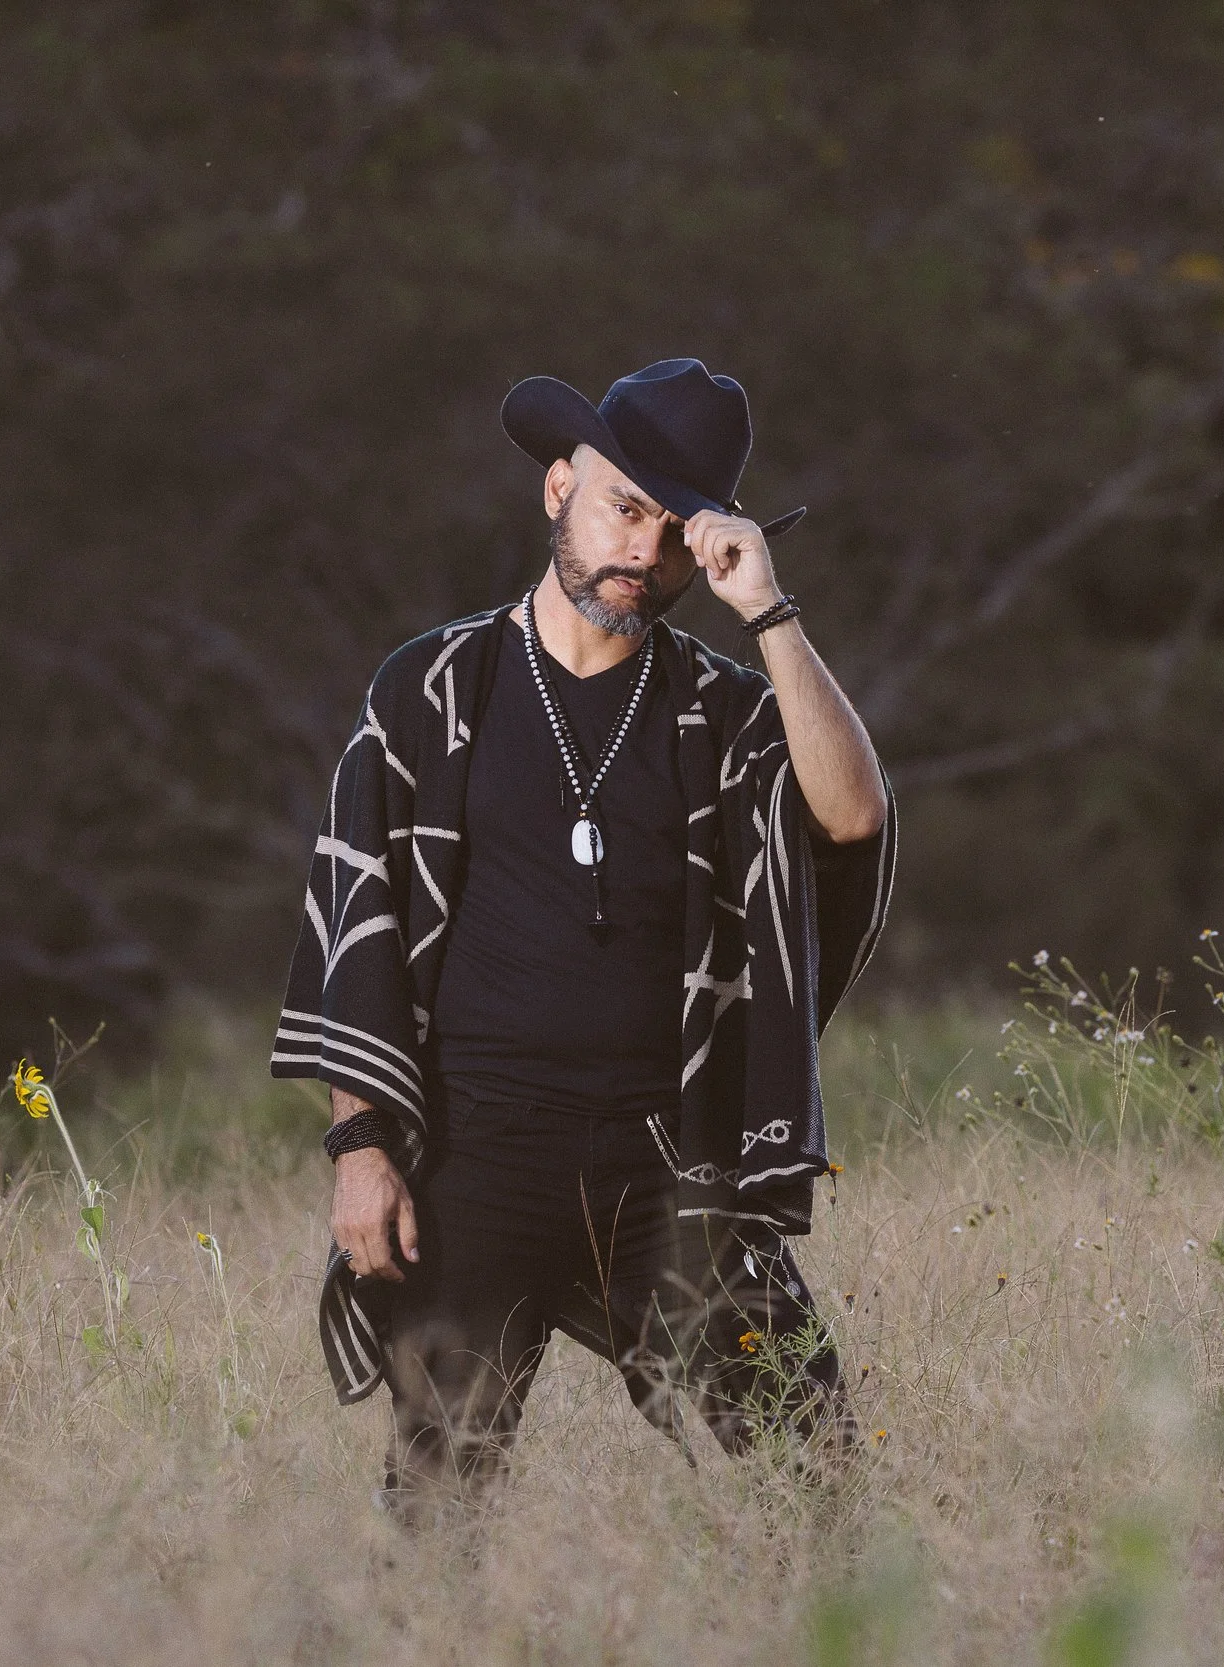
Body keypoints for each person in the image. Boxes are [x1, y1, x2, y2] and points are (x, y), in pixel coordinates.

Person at [271, 358, 896, 1520]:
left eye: (676, 532)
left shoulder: (721, 709)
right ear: (558, 486)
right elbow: (359, 918)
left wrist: (768, 612)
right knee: (440, 1498)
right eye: (624, 507)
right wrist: (359, 1143)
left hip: (667, 1156)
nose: (642, 553)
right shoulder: (432, 687)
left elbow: (850, 815)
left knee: (815, 1466)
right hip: (475, 1151)